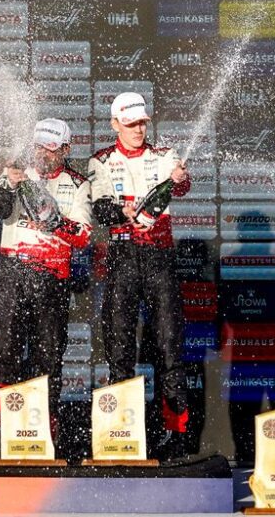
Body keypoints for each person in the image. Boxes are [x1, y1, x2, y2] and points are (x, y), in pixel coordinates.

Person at [86, 91, 191, 453]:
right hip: (122, 259)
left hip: (160, 257)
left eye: (142, 123)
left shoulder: (164, 155)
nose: (138, 130)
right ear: (115, 124)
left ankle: (176, 434)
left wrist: (179, 178)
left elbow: (182, 184)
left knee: (169, 346)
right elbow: (100, 208)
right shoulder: (100, 160)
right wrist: (122, 213)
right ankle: (120, 433)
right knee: (119, 348)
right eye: (130, 124)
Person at [0, 118, 92, 431]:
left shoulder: (78, 184)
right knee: (4, 352)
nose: (43, 154)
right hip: (13, 272)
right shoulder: (18, 172)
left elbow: (83, 236)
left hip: (52, 276)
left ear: (66, 149)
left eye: (51, 148)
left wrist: (56, 223)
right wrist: (10, 183)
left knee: (48, 357)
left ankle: (44, 429)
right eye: (39, 147)